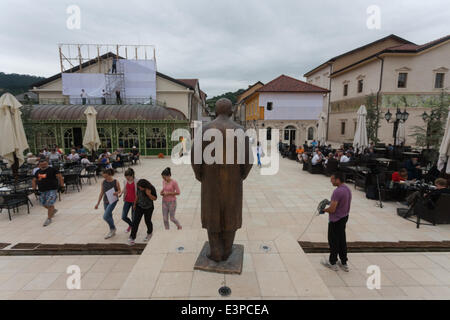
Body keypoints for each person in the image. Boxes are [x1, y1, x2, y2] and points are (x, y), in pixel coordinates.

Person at [321, 172, 352, 272]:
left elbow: (333, 209)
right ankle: (344, 263)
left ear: (337, 180)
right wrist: (331, 203)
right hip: (344, 217)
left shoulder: (337, 192)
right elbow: (341, 203)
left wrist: (324, 210)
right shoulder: (347, 189)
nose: (331, 181)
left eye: (332, 179)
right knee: (342, 240)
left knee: (333, 241)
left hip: (336, 220)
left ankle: (332, 262)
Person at [32, 159, 65, 227]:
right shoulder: (38, 172)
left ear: (47, 163)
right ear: (39, 165)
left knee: (49, 203)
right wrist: (34, 189)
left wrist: (62, 186)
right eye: (42, 164)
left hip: (52, 189)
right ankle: (53, 210)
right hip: (42, 190)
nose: (43, 166)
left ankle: (49, 218)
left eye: (44, 164)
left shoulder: (53, 169)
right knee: (43, 204)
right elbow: (34, 180)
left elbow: (60, 177)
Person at [128, 179, 157, 245]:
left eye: (140, 187)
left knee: (147, 221)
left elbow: (155, 198)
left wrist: (149, 194)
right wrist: (135, 204)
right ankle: (132, 237)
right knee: (135, 221)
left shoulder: (151, 188)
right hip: (139, 206)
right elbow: (137, 196)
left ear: (144, 186)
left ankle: (149, 233)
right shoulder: (139, 187)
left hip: (149, 208)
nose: (139, 188)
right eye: (138, 187)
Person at [95, 168, 121, 239]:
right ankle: (112, 230)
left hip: (113, 201)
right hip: (105, 201)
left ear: (110, 175)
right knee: (109, 215)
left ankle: (113, 228)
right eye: (104, 177)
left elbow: (119, 190)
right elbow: (101, 193)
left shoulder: (116, 182)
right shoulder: (103, 182)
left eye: (106, 176)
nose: (105, 178)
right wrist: (97, 203)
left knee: (105, 216)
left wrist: (117, 192)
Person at [119, 168, 138, 233]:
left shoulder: (137, 181)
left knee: (133, 217)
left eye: (128, 177)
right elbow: (125, 188)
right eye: (126, 177)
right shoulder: (125, 181)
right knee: (123, 216)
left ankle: (133, 229)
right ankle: (131, 225)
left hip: (134, 202)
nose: (127, 178)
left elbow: (138, 193)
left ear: (132, 175)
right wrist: (121, 193)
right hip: (127, 201)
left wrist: (136, 203)